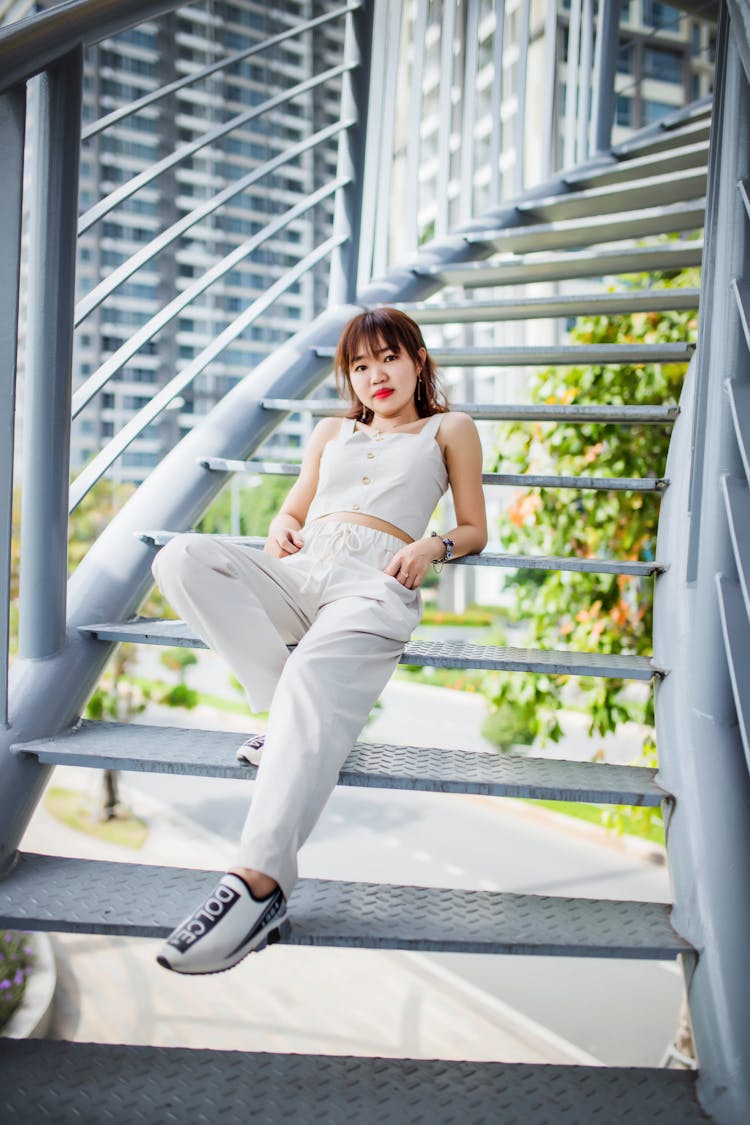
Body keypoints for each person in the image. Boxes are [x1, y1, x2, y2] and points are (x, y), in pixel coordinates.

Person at [152, 307, 487, 975]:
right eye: (360, 366)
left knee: (309, 675)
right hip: (301, 572)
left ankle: (258, 885)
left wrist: (434, 544)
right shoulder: (331, 431)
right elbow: (295, 504)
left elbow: (475, 526)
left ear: (418, 360)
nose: (375, 375)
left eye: (388, 357)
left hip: (374, 581)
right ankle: (283, 722)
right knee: (180, 557)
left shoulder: (449, 428)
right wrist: (280, 523)